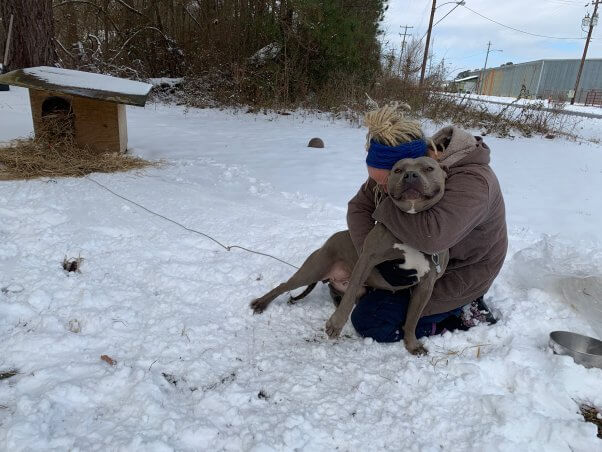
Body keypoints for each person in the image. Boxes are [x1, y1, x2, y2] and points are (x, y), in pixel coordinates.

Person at [334, 104, 508, 343]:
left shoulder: (474, 181)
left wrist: (384, 208)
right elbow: (359, 207)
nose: (380, 190)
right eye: (378, 183)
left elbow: (433, 236)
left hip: (458, 272)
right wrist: (371, 252)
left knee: (370, 320)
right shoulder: (401, 169)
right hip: (414, 258)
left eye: (384, 184)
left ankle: (463, 313)